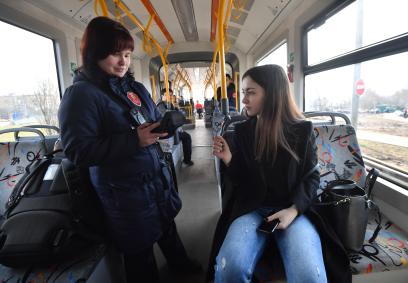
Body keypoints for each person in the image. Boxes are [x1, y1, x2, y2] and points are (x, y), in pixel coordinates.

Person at [58, 17, 199, 283]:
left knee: (167, 228)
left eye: (127, 54)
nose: (123, 61)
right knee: (139, 253)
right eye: (115, 54)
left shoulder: (136, 88)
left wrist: (165, 125)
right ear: (94, 53)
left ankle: (180, 265)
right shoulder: (81, 95)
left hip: (154, 178)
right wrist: (134, 141)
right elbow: (78, 151)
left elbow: (152, 117)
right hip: (123, 192)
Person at [210, 65, 351, 283]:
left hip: (292, 208)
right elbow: (243, 182)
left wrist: (293, 210)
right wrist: (229, 159)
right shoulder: (243, 131)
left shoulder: (302, 131)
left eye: (251, 92)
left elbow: (311, 177)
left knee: (309, 277)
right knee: (230, 269)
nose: (243, 99)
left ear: (272, 94)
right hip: (253, 208)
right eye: (243, 92)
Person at [159, 93, 194, 166]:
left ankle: (187, 160)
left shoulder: (171, 105)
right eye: (167, 95)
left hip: (173, 130)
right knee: (186, 137)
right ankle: (186, 161)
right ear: (162, 96)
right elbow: (163, 121)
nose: (170, 97)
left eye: (171, 95)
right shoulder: (160, 106)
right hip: (165, 132)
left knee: (187, 137)